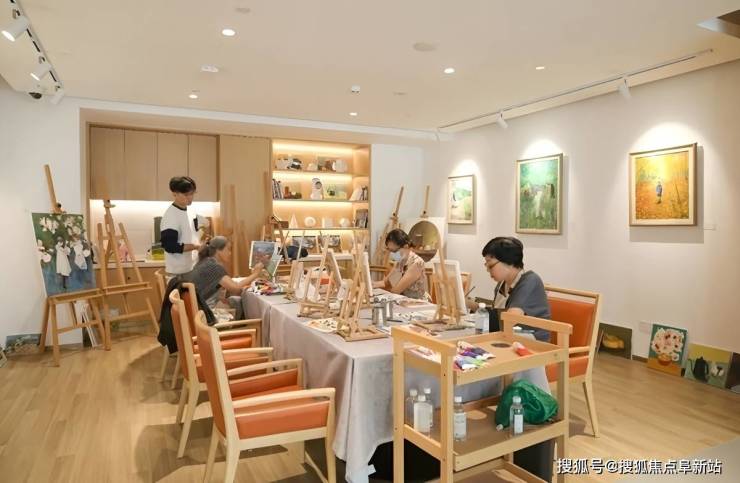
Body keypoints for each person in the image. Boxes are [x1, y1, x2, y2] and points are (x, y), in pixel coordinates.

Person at [467, 236, 551, 341]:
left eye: (491, 265)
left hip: (533, 342)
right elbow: (498, 316)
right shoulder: (502, 283)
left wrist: (479, 311)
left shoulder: (530, 281)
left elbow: (510, 319)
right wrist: (470, 304)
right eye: (486, 265)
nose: (487, 270)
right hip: (509, 337)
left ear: (508, 262)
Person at [186, 236, 265, 318]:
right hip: (206, 313)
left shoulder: (206, 262)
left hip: (199, 309)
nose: (230, 253)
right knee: (242, 304)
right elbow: (236, 288)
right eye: (228, 249)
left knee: (236, 300)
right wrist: (255, 274)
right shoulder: (213, 266)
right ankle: (248, 325)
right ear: (218, 250)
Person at [160, 176, 200, 275]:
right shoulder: (171, 216)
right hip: (177, 272)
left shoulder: (190, 211)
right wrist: (195, 246)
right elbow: (170, 246)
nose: (190, 197)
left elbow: (195, 230)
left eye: (192, 193)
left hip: (191, 267)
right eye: (186, 194)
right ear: (174, 193)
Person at [372, 229, 428, 300]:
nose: (392, 254)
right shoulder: (400, 261)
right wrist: (372, 284)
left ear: (406, 247)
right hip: (404, 300)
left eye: (394, 251)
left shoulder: (416, 263)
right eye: (389, 250)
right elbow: (386, 283)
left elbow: (396, 291)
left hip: (417, 303)